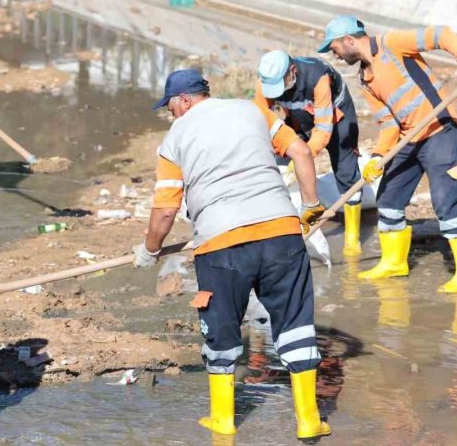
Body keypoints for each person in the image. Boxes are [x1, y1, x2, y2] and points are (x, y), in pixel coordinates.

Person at [133, 69, 331, 440]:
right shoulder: (253, 110)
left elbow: (164, 211)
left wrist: (149, 250)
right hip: (281, 234)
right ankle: (309, 420)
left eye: (171, 106)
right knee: (296, 326)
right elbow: (301, 151)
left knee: (222, 329)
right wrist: (310, 206)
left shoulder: (175, 137)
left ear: (185, 100)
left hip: (221, 244)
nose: (171, 114)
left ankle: (223, 421)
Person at [318, 15, 457, 293]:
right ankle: (395, 263)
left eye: (334, 48)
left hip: (438, 130)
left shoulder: (392, 44)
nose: (334, 55)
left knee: (445, 200)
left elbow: (440, 33)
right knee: (388, 199)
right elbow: (388, 124)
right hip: (408, 138)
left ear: (349, 40)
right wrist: (377, 157)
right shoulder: (365, 78)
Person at [255, 50, 363, 256]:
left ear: (292, 72)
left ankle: (352, 239)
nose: (275, 93)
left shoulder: (318, 77)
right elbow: (261, 119)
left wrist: (303, 157)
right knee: (278, 163)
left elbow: (323, 129)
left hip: (336, 116)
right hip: (298, 117)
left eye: (279, 87)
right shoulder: (266, 82)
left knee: (345, 169)